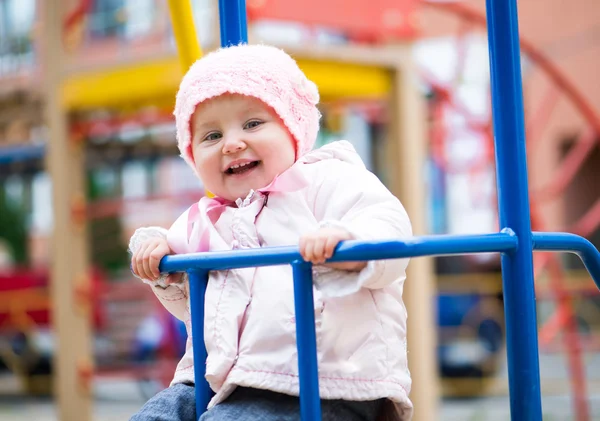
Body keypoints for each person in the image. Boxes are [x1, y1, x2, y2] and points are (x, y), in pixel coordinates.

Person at [129, 44, 413, 421]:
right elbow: (192, 306)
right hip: (217, 378)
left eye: (252, 124)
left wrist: (348, 244)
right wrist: (162, 259)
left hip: (325, 381)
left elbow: (386, 224)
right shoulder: (204, 218)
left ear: (293, 129)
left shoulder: (328, 180)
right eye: (211, 136)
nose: (232, 143)